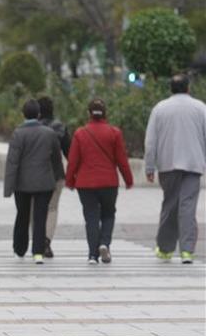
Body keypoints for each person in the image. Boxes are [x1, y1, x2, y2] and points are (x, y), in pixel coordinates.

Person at [145, 74, 206, 264]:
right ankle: (187, 251)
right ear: (188, 87)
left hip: (167, 164)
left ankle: (165, 249)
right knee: (188, 207)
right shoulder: (201, 108)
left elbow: (151, 141)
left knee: (170, 205)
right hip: (193, 165)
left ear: (171, 88)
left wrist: (149, 166)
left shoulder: (160, 109)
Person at [65, 99, 134, 264]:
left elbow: (73, 161)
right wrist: (128, 179)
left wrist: (70, 181)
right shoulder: (114, 132)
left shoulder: (80, 133)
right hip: (109, 182)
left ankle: (92, 255)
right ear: (105, 113)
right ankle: (104, 243)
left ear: (89, 114)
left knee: (91, 217)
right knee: (109, 214)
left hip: (85, 183)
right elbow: (121, 160)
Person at [4, 99, 64, 264]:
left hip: (22, 184)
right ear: (38, 114)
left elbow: (12, 162)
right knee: (40, 217)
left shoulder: (18, 133)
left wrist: (8, 188)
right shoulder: (49, 133)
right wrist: (58, 177)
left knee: (22, 216)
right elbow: (56, 159)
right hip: (44, 183)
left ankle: (19, 250)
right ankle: (38, 252)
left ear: (23, 114)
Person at [36, 96, 72, 258]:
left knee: (34, 210)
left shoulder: (30, 128)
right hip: (56, 174)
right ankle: (46, 241)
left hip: (34, 175)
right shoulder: (60, 128)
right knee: (52, 208)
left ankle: (38, 242)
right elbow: (70, 153)